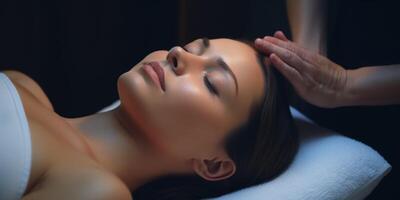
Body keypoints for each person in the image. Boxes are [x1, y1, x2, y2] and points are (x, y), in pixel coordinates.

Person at [1, 38, 299, 200]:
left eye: (211, 83)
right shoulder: (25, 87)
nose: (177, 54)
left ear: (213, 164)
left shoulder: (96, 190)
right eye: (193, 48)